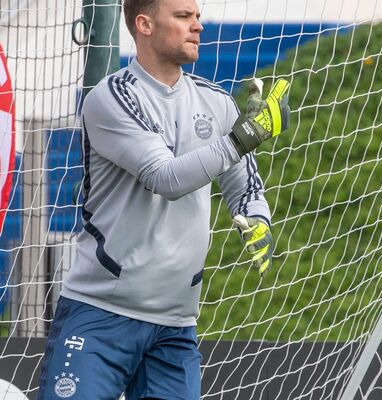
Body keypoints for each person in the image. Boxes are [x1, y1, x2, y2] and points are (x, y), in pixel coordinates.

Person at [37, 0, 290, 398]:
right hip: (100, 315)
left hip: (175, 325)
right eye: (184, 16)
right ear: (145, 24)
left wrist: (257, 218)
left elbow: (245, 186)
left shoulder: (217, 102)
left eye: (198, 16)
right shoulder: (112, 97)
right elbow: (165, 177)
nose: (198, 26)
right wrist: (242, 138)